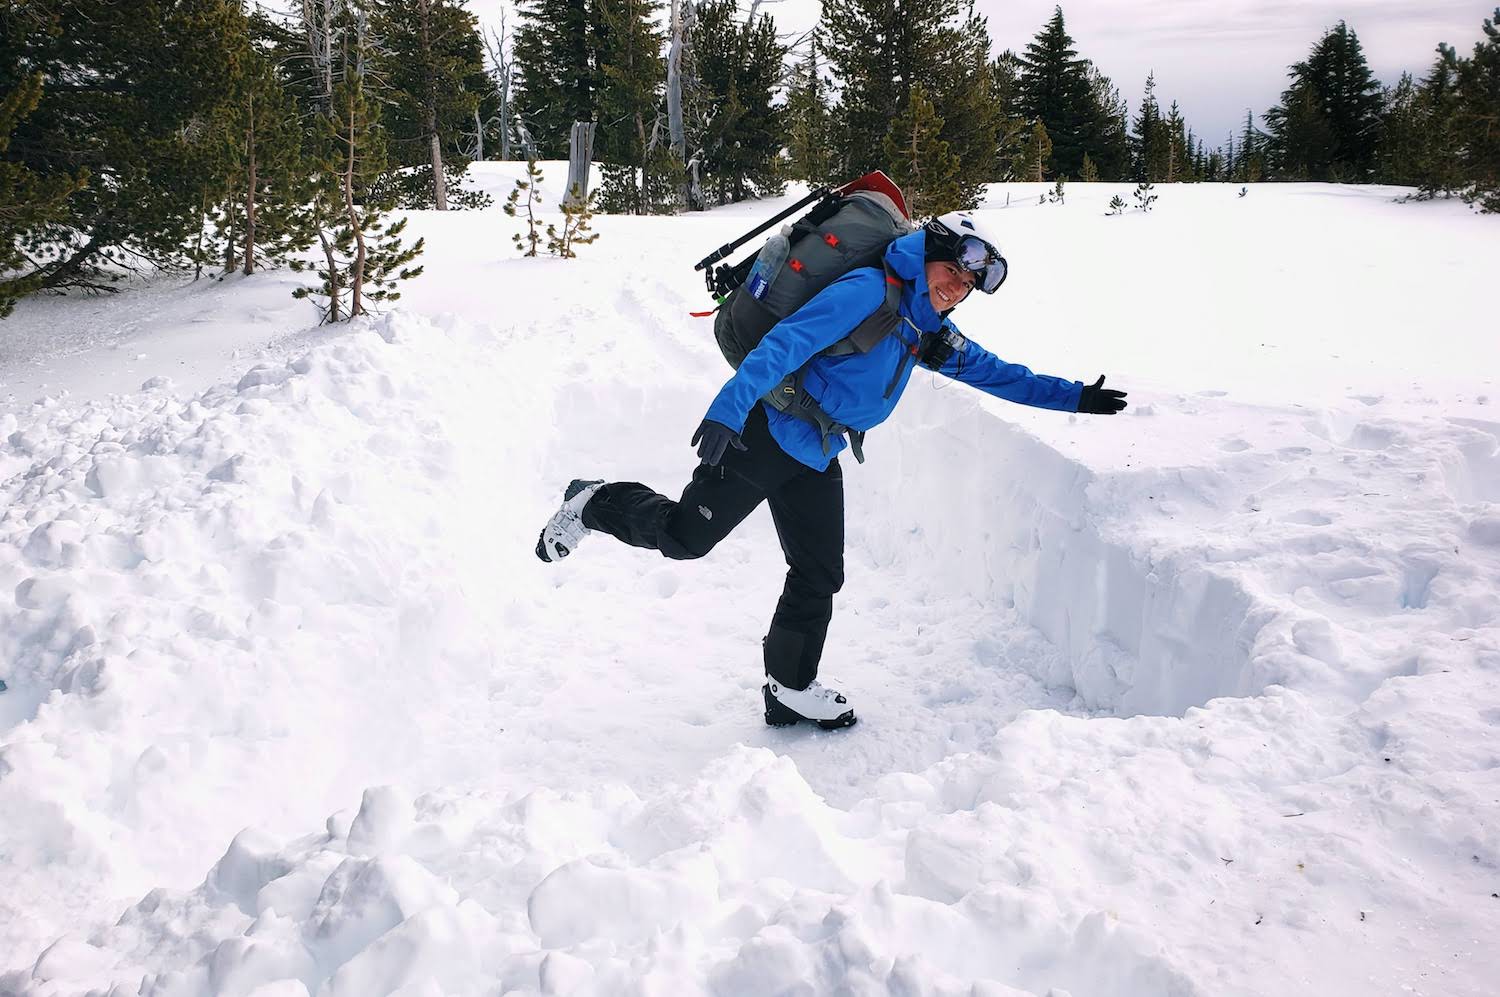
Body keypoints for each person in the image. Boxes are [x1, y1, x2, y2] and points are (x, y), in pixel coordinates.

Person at [535, 211, 1127, 730]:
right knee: (684, 539)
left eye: (969, 284)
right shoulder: (867, 291)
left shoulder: (929, 331)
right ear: (929, 255)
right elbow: (785, 345)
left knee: (818, 573)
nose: (956, 287)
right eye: (952, 271)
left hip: (818, 453)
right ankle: (593, 501)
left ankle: (789, 688)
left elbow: (1001, 374)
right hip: (766, 433)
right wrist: (728, 409)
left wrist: (1075, 398)